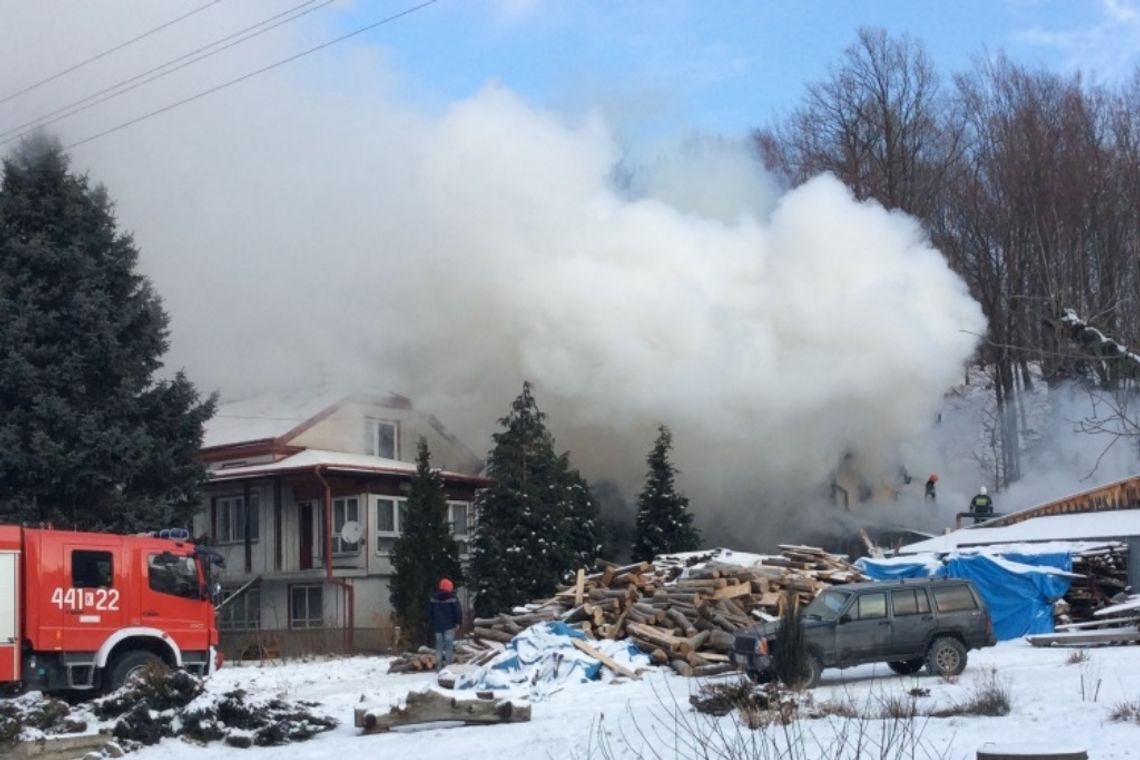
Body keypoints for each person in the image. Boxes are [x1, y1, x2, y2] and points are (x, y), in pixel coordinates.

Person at [430, 577, 462, 670]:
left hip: (437, 627)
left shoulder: (433, 598)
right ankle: (448, 667)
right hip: (449, 626)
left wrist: (433, 622)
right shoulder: (452, 598)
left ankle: (439, 667)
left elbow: (430, 612)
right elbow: (457, 611)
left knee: (439, 646)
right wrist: (458, 622)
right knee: (449, 647)